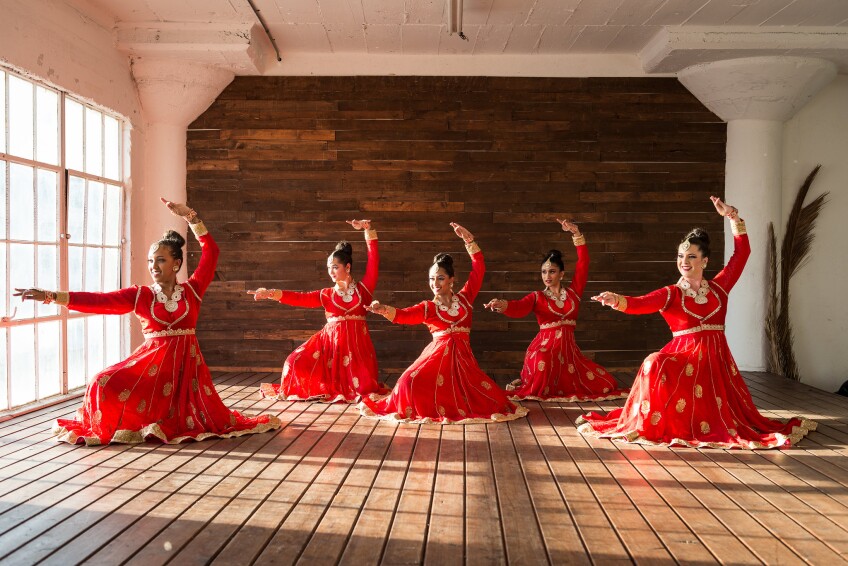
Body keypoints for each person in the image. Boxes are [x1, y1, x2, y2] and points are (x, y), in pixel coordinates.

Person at [14, 198, 281, 445]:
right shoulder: (140, 294)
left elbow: (211, 251)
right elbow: (99, 300)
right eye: (150, 261)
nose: (153, 266)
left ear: (176, 264)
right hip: (150, 364)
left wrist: (190, 217)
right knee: (100, 381)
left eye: (160, 260)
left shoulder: (193, 290)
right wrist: (50, 296)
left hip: (186, 369)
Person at [578, 197, 816, 449]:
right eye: (681, 256)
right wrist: (615, 299)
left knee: (729, 421)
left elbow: (742, 253)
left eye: (691, 256)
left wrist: (733, 218)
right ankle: (648, 422)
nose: (684, 261)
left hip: (715, 364)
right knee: (652, 361)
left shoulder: (720, 287)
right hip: (684, 360)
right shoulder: (671, 293)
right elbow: (639, 303)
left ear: (705, 261)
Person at [360, 223, 528, 424]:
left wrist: (469, 241)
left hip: (464, 365)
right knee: (406, 383)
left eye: (440, 278)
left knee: (493, 401)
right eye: (431, 279)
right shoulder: (428, 307)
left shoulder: (465, 299)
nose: (435, 283)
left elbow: (479, 269)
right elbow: (403, 315)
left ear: (452, 280)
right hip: (436, 360)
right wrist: (382, 309)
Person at [484, 219, 627, 402]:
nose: (547, 276)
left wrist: (577, 235)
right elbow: (518, 307)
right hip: (544, 350)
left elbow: (584, 263)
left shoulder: (574, 293)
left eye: (551, 271)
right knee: (543, 362)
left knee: (606, 383)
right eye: (543, 272)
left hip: (569, 355)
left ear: (561, 274)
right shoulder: (537, 296)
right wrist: (502, 305)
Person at [249, 220, 389, 403]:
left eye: (335, 267)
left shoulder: (364, 290)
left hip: (358, 351)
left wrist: (369, 230)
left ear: (347, 267)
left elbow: (374, 261)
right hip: (330, 347)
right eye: (328, 267)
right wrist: (270, 293)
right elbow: (299, 297)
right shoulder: (327, 294)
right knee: (293, 362)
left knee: (364, 389)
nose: (330, 271)